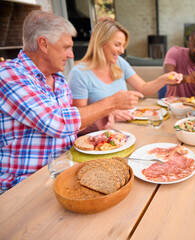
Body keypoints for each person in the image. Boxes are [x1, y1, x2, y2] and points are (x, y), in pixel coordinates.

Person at [0, 11, 143, 192]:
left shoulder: (58, 79)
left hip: (65, 172)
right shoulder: (9, 75)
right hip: (25, 185)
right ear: (44, 44)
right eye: (66, 47)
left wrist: (94, 124)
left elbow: (69, 128)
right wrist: (112, 102)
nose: (71, 55)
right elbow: (56, 123)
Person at [69, 19, 182, 122]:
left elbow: (143, 88)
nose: (122, 51)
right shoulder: (79, 74)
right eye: (117, 45)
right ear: (100, 43)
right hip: (100, 138)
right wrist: (107, 113)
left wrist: (163, 80)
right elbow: (78, 121)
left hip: (126, 128)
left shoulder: (119, 63)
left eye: (123, 46)